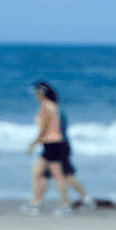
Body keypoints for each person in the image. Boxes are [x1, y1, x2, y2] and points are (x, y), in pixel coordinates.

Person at [23, 82, 90, 216]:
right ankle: (36, 203)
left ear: (41, 93)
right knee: (41, 173)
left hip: (51, 144)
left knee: (56, 176)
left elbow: (44, 129)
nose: (35, 96)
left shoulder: (45, 106)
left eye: (36, 93)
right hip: (54, 144)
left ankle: (63, 205)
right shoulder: (54, 107)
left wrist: (33, 143)